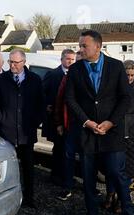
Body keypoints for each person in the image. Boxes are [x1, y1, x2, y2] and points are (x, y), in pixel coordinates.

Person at [65, 30, 134, 215]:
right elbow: (70, 99)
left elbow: (125, 98)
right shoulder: (75, 70)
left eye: (83, 46)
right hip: (88, 135)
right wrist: (87, 121)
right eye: (79, 45)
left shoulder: (115, 67)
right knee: (88, 180)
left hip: (111, 134)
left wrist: (111, 122)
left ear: (98, 46)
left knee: (117, 173)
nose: (80, 49)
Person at [0, 49, 45, 208]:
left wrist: (35, 122)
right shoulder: (2, 80)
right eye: (10, 62)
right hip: (7, 132)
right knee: (6, 168)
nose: (12, 65)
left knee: (28, 167)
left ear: (23, 62)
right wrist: (1, 120)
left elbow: (41, 103)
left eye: (15, 62)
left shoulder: (34, 80)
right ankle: (5, 199)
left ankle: (29, 198)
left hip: (27, 132)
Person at [103, 60, 134, 213]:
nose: (130, 78)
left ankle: (120, 199)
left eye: (132, 75)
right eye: (127, 75)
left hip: (132, 134)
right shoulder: (114, 88)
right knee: (112, 168)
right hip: (115, 131)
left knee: (129, 170)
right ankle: (110, 194)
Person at [43, 49, 76, 186]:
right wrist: (46, 105)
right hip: (56, 118)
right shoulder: (53, 74)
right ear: (62, 59)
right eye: (68, 59)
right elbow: (42, 92)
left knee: (68, 150)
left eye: (72, 59)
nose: (70, 61)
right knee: (58, 148)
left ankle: (66, 175)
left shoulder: (75, 74)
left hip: (70, 118)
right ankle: (55, 175)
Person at [54, 51, 82, 201]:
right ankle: (68, 187)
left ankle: (89, 187)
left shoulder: (94, 77)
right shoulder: (67, 77)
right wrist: (59, 122)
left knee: (87, 158)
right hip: (70, 124)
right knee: (68, 157)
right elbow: (59, 100)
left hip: (88, 126)